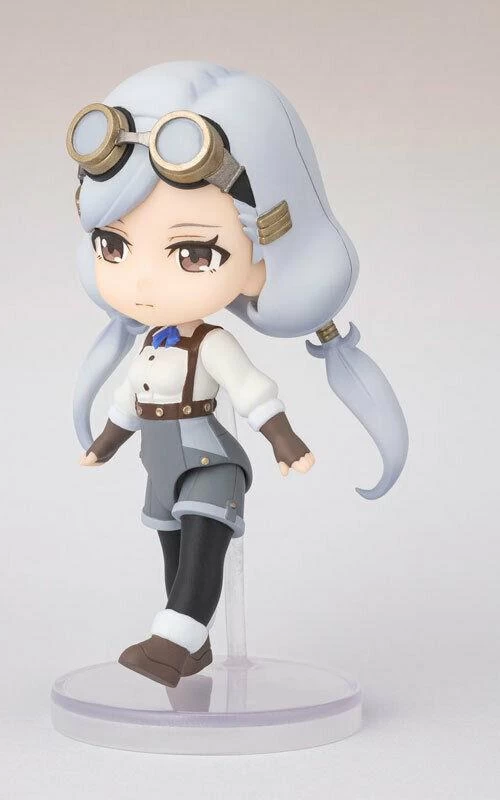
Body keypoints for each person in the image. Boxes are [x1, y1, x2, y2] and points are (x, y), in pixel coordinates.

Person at [66, 61, 408, 687]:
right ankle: (192, 649)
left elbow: (252, 392)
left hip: (209, 461)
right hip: (158, 462)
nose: (143, 281)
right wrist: (105, 445)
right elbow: (127, 401)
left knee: (202, 546)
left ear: (261, 254)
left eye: (193, 253)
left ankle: (172, 640)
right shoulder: (150, 345)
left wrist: (284, 439)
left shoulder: (213, 343)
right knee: (172, 548)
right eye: (114, 246)